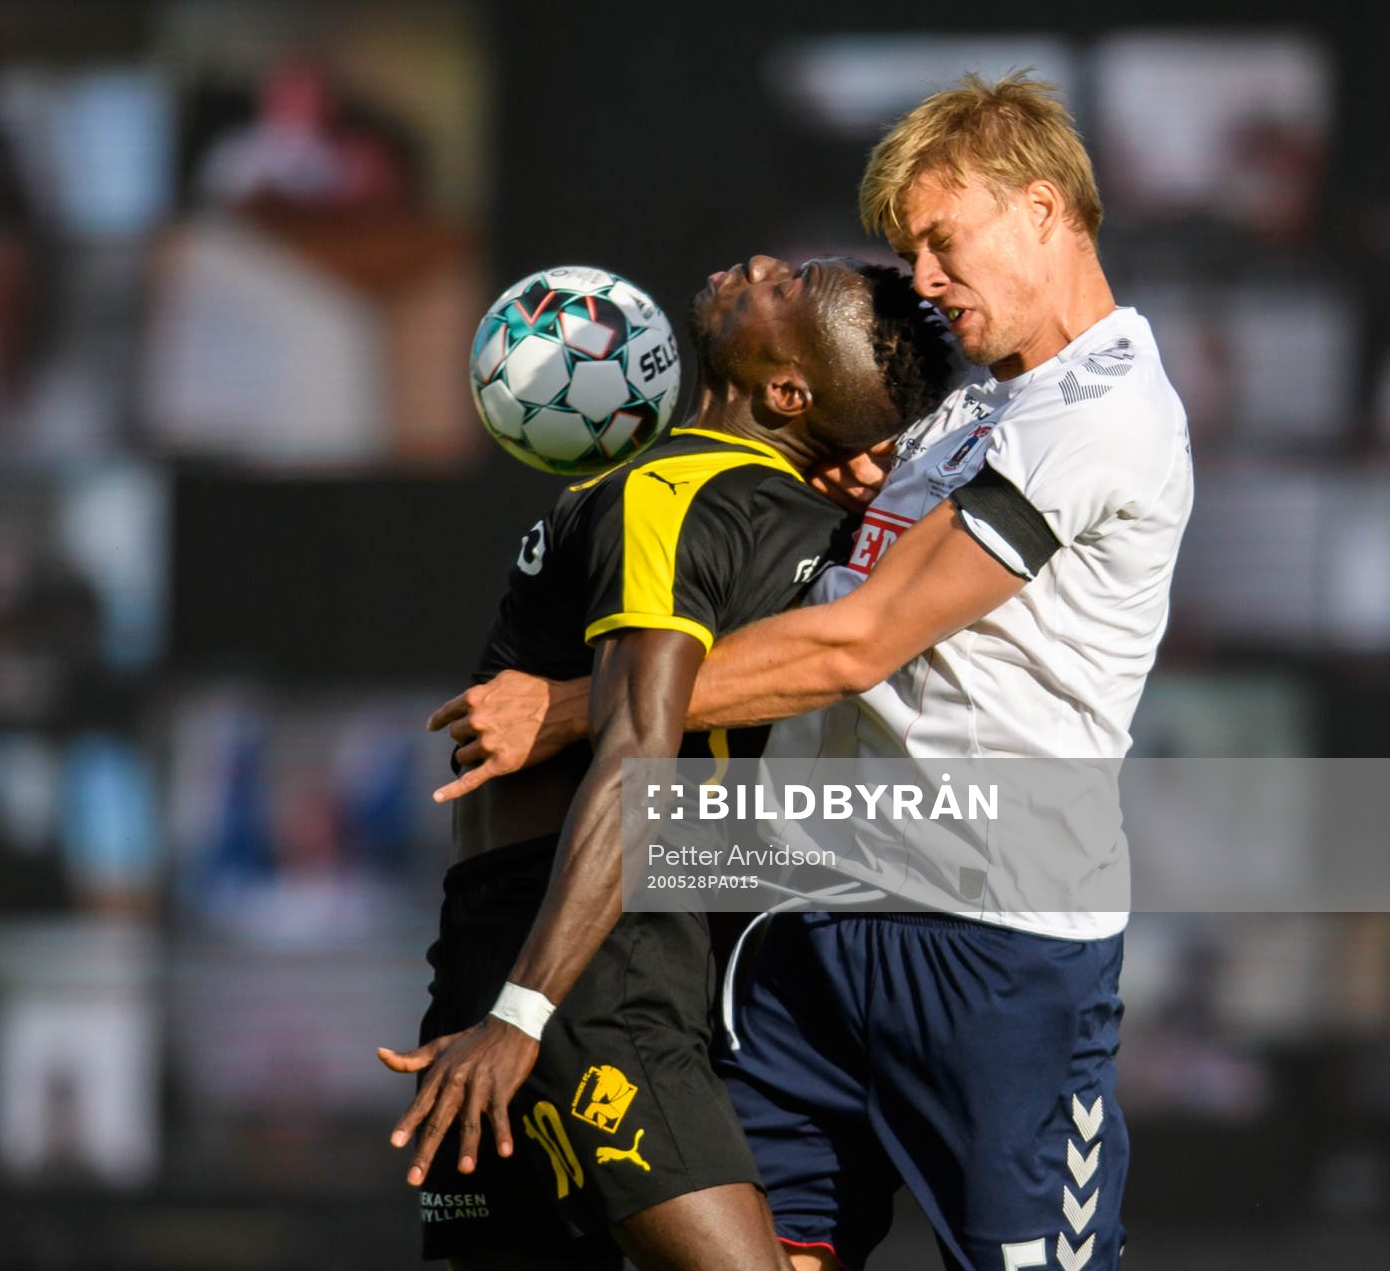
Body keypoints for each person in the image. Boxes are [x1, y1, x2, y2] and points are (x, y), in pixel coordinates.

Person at [425, 74, 1194, 1271]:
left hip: (993, 941)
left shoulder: (1102, 413)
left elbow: (856, 641)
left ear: (1043, 208)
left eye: (941, 241)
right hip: (814, 931)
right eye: (910, 249)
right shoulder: (971, 410)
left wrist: (573, 708)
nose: (923, 277)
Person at [380, 257, 956, 1269]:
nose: (764, 266)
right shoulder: (720, 501)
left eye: (789, 288)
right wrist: (526, 1010)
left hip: (561, 968)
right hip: (575, 959)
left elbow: (636, 756)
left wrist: (519, 1009)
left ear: (788, 391)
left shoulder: (687, 494)